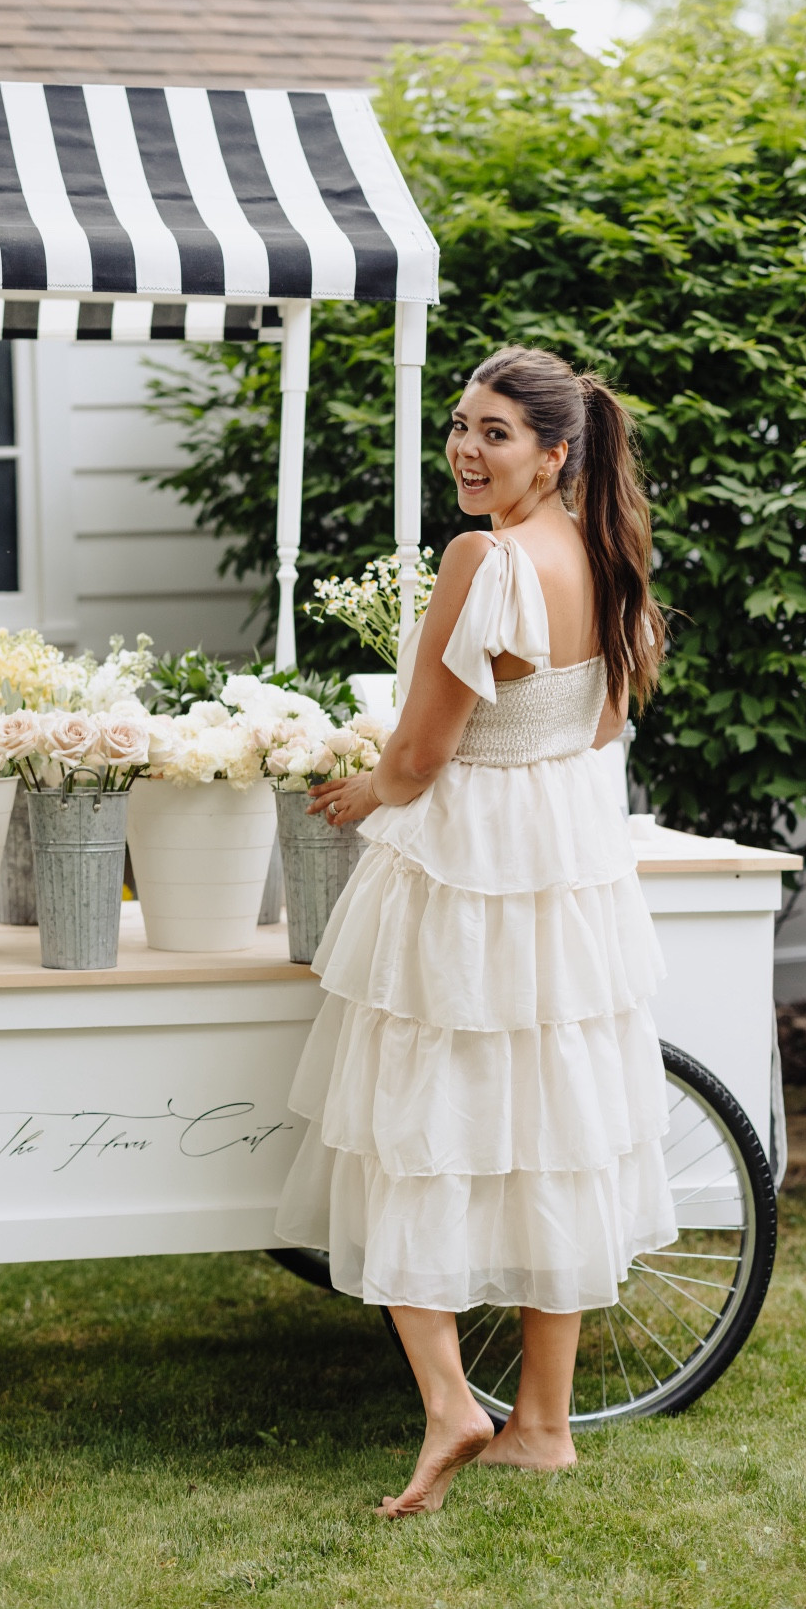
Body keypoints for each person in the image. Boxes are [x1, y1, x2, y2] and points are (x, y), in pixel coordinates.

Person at [274, 345, 675, 1517]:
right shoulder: (605, 554)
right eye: (460, 423)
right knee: (553, 1124)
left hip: (467, 865)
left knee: (418, 1116)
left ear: (554, 453)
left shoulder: (483, 557)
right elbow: (598, 725)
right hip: (564, 866)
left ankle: (454, 1401)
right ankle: (540, 1426)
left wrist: (359, 792)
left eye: (495, 432)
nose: (465, 446)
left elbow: (417, 751)